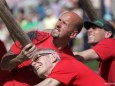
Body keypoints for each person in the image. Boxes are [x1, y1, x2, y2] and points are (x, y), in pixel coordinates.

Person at [0, 11, 83, 86]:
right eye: (59, 20)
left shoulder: (68, 60)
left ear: (73, 34)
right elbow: (4, 65)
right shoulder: (35, 37)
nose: (58, 24)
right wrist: (20, 58)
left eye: (64, 23)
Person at [31, 49, 108, 86]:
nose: (33, 64)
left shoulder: (65, 64)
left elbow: (49, 83)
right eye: (31, 67)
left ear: (53, 57)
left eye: (37, 58)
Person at [74, 19, 115, 86]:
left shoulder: (110, 43)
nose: (89, 30)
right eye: (89, 28)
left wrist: (56, 55)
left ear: (107, 34)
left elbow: (80, 56)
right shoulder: (104, 60)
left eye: (94, 28)